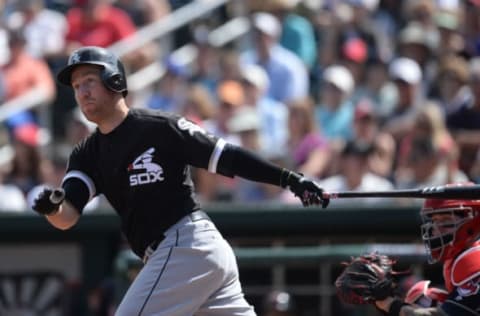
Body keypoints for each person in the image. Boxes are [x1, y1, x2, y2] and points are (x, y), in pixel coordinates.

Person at [31, 46, 328, 316]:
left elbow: (229, 157)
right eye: (76, 86)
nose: (82, 92)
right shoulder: (87, 153)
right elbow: (67, 215)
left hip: (186, 246)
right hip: (183, 257)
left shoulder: (159, 128)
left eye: (89, 81)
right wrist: (52, 208)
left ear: (115, 81)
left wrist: (288, 178)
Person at [373, 182, 480, 315]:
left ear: (473, 219)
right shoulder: (458, 261)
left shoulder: (475, 262)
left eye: (445, 220)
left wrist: (389, 304)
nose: (436, 230)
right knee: (423, 298)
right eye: (434, 221)